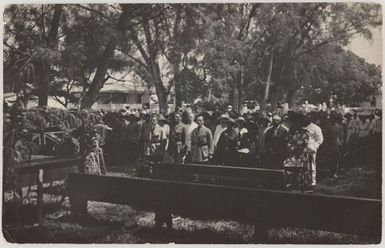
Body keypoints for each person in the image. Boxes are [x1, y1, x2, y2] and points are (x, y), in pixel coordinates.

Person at [283, 111, 311, 190]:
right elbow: (286, 143)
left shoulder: (305, 133)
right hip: (290, 157)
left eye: (295, 123)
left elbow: (302, 145)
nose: (293, 124)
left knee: (300, 178)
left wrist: (292, 148)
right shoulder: (289, 133)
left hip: (300, 157)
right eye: (293, 123)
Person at [303, 113, 323, 186]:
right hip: (302, 149)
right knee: (304, 165)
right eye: (305, 118)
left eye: (307, 118)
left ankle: (312, 182)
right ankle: (305, 181)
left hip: (311, 148)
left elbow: (320, 139)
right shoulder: (303, 127)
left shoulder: (316, 128)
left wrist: (314, 147)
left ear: (311, 119)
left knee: (312, 165)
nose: (306, 119)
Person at [323, 111, 343, 177]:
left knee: (336, 159)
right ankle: (331, 171)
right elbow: (325, 135)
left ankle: (335, 172)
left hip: (336, 144)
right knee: (330, 158)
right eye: (332, 117)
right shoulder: (327, 126)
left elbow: (341, 136)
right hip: (329, 144)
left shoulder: (339, 126)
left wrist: (340, 143)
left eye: (334, 117)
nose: (333, 119)